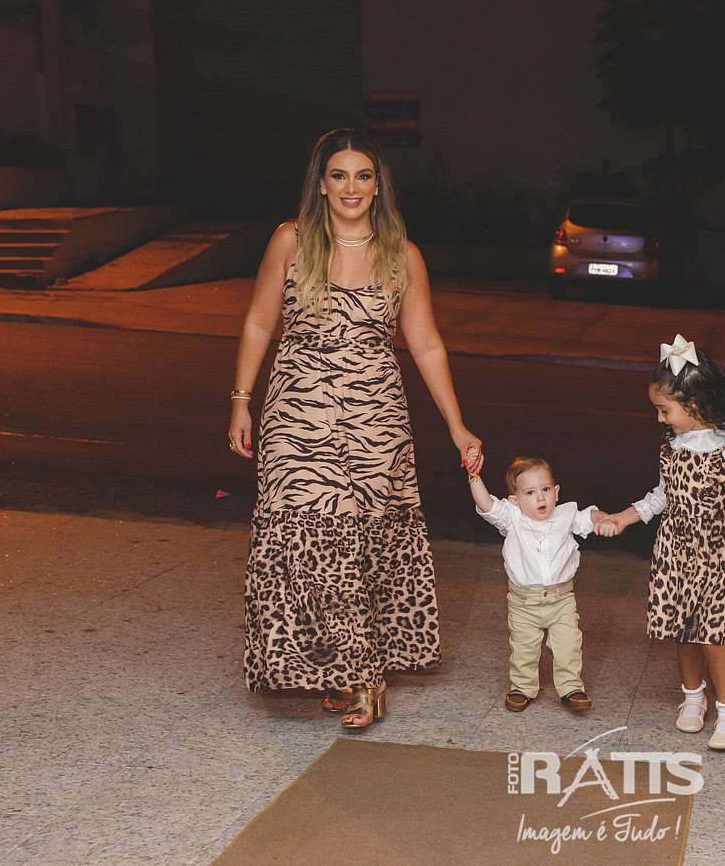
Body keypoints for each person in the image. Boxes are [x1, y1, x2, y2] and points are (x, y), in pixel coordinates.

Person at [228, 128, 483, 729]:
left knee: (361, 546)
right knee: (305, 542)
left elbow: (425, 343)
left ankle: (362, 674)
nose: (351, 187)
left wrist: (457, 425)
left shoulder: (402, 254)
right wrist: (241, 400)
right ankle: (347, 669)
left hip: (375, 418)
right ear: (321, 183)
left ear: (377, 185)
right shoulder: (291, 241)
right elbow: (260, 322)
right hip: (296, 412)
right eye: (339, 175)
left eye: (363, 176)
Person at [598, 335, 725, 751]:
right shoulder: (671, 445)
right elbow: (662, 496)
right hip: (677, 551)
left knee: (715, 634)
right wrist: (624, 517)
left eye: (664, 409)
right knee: (683, 630)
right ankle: (693, 697)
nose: (659, 418)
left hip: (723, 552)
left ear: (692, 405)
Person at [469, 456, 607, 714]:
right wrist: (474, 477)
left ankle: (571, 688)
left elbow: (589, 517)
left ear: (556, 492)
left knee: (569, 644)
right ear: (515, 500)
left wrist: (604, 519)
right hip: (524, 602)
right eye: (530, 493)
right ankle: (522, 687)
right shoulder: (512, 518)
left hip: (561, 599)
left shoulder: (566, 515)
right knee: (524, 647)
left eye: (545, 489)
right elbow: (486, 504)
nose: (540, 498)